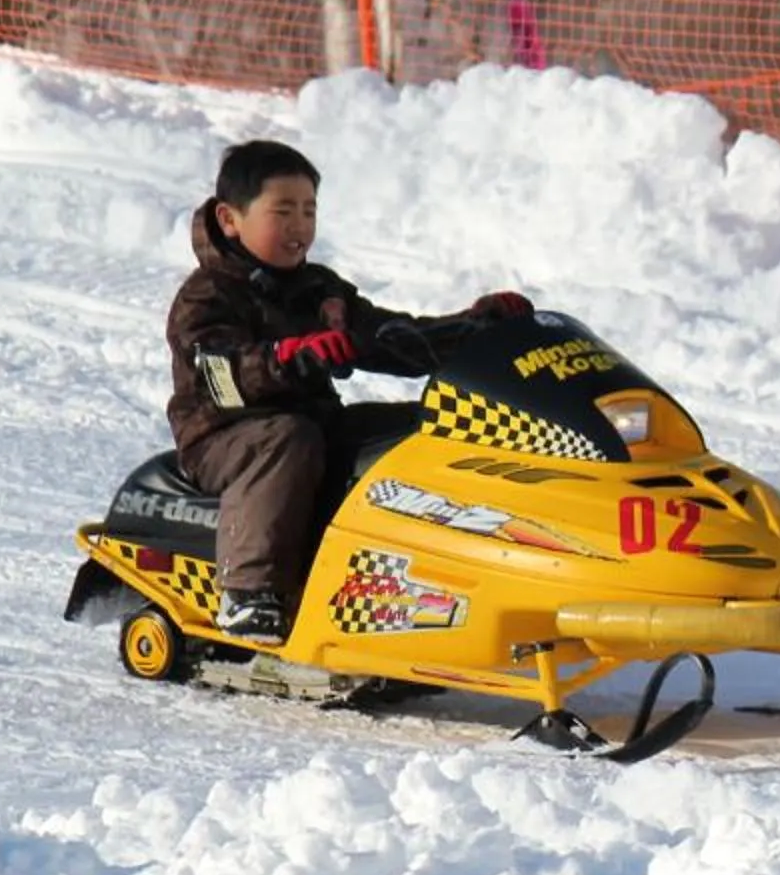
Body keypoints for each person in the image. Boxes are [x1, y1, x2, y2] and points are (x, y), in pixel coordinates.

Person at [166, 139, 532, 647]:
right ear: (230, 219)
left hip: (314, 425)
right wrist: (287, 358)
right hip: (225, 435)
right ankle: (249, 592)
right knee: (286, 438)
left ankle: (449, 575)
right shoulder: (206, 295)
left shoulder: (320, 290)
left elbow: (391, 337)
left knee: (426, 424)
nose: (299, 226)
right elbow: (219, 373)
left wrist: (472, 330)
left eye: (309, 211)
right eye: (283, 211)